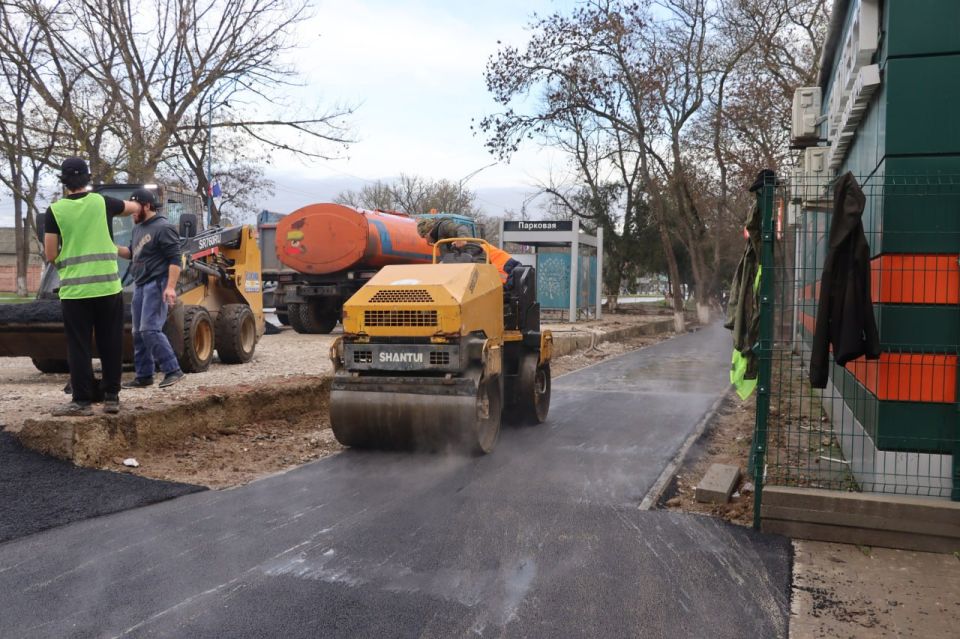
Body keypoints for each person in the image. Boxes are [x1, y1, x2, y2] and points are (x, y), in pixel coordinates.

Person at [44, 157, 140, 416]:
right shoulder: (101, 202)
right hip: (108, 287)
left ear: (64, 181)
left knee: (78, 345)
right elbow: (132, 207)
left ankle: (82, 402)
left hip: (75, 291)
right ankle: (111, 398)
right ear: (87, 178)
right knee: (111, 342)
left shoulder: (55, 211)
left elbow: (51, 253)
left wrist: (67, 265)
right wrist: (137, 206)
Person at [116, 188, 185, 389]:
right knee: (138, 332)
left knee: (149, 329)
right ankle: (144, 375)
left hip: (157, 283)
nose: (132, 213)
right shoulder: (138, 228)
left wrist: (170, 287)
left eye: (136, 208)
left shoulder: (163, 227)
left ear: (147, 206)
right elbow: (132, 253)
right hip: (140, 284)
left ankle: (173, 370)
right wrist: (111, 248)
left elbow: (175, 259)